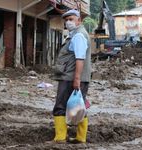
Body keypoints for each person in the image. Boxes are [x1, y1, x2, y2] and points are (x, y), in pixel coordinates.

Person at [52, 9, 91, 144]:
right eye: (66, 20)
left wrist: (76, 79)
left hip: (71, 77)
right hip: (75, 77)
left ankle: (60, 138)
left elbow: (80, 58)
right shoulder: (75, 34)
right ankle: (81, 137)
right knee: (79, 107)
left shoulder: (79, 36)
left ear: (79, 20)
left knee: (60, 107)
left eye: (71, 19)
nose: (68, 22)